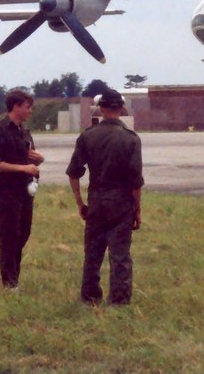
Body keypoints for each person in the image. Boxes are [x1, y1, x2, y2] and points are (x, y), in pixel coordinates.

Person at [66, 88, 143, 305]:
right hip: (121, 203)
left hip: (96, 202)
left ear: (100, 109)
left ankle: (90, 295)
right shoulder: (130, 139)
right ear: (121, 109)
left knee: (92, 252)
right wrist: (137, 209)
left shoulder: (87, 136)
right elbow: (135, 181)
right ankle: (119, 299)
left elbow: (73, 173)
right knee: (120, 255)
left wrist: (81, 203)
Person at [0, 87, 44, 289]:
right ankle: (9, 282)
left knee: (23, 233)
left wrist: (38, 159)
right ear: (16, 106)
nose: (30, 111)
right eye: (27, 107)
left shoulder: (24, 132)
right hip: (6, 191)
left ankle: (14, 276)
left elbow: (27, 155)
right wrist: (22, 168)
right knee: (9, 235)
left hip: (25, 191)